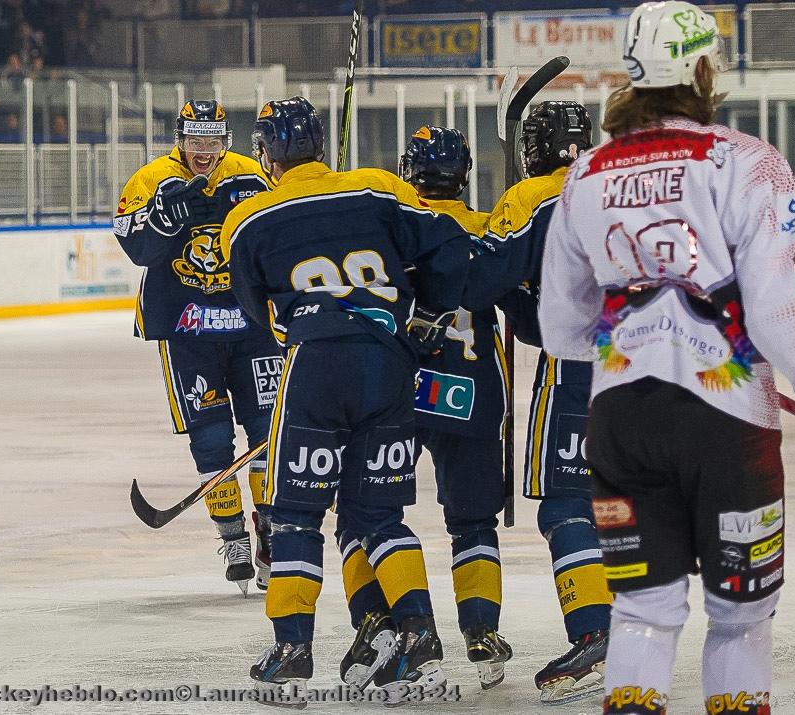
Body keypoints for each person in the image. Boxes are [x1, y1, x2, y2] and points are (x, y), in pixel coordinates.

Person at [537, 3, 795, 714]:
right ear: (703, 68)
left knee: (642, 610)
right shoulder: (745, 161)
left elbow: (561, 326)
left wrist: (643, 337)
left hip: (621, 421)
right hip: (726, 425)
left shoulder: (585, 174)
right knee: (740, 615)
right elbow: (784, 304)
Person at [225, 98, 471, 699]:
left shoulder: (248, 218)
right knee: (380, 515)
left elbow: (258, 313)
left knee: (296, 514)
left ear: (269, 154)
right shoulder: (379, 188)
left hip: (314, 368)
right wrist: (427, 314)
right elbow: (448, 244)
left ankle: (292, 646)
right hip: (388, 366)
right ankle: (417, 632)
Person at [334, 125, 513, 692]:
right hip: (473, 395)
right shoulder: (488, 230)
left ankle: (380, 623)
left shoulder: (392, 229)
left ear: (409, 172)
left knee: (362, 510)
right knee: (473, 521)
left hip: (402, 392)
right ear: (465, 175)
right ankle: (482, 633)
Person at [462, 101, 612, 705]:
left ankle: (597, 633)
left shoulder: (534, 197)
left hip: (580, 366)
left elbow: (480, 278)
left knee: (568, 502)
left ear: (535, 149)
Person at [113, 100, 279, 598]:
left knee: (268, 433)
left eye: (212, 140)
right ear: (179, 140)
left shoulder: (250, 175)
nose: (203, 150)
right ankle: (233, 538)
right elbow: (135, 247)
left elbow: (283, 236)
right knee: (210, 438)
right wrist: (163, 221)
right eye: (194, 140)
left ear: (225, 140)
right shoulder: (151, 180)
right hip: (188, 331)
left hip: (253, 327)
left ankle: (271, 530)